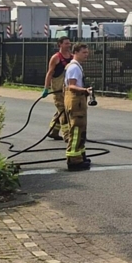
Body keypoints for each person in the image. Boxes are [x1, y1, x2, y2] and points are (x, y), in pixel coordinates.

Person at [63, 43, 93, 171]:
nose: (86, 55)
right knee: (76, 131)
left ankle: (80, 156)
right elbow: (71, 86)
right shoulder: (74, 68)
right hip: (76, 101)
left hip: (78, 101)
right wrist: (85, 90)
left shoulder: (76, 66)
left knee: (81, 130)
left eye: (87, 52)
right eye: (84, 52)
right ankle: (74, 161)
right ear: (75, 52)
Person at [41, 37, 74, 141]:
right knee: (63, 112)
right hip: (58, 90)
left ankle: (53, 131)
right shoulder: (56, 58)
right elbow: (50, 73)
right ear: (60, 44)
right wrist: (46, 88)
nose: (68, 45)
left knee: (62, 110)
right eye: (66, 43)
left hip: (68, 90)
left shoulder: (72, 57)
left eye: (69, 43)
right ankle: (67, 134)